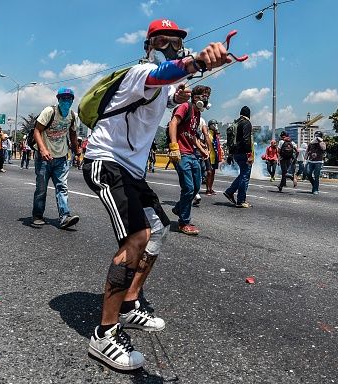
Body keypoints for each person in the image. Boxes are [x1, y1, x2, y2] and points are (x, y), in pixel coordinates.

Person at [82, 18, 230, 370]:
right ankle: (104, 334)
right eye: (164, 41)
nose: (172, 47)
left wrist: (176, 93)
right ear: (150, 45)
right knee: (136, 237)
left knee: (158, 230)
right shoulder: (141, 72)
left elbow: (162, 93)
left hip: (131, 171)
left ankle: (130, 304)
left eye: (177, 42)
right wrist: (199, 62)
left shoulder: (161, 85)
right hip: (107, 162)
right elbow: (163, 75)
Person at [32, 87, 81, 228]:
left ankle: (65, 217)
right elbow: (37, 130)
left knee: (62, 187)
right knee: (41, 188)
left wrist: (77, 153)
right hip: (44, 158)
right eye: (63, 98)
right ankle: (37, 215)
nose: (66, 101)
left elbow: (73, 135)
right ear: (58, 99)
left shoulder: (73, 116)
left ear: (72, 100)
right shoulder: (49, 111)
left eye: (69, 99)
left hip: (61, 157)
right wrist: (43, 149)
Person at [169, 85, 211, 234]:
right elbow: (173, 123)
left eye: (208, 97)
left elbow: (191, 135)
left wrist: (202, 149)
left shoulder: (197, 114)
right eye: (204, 96)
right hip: (181, 153)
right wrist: (174, 147)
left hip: (192, 154)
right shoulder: (185, 107)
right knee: (188, 188)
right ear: (196, 97)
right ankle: (184, 222)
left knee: (197, 186)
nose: (206, 100)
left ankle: (179, 208)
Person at [223, 106, 254, 208]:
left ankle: (230, 191)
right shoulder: (246, 123)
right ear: (248, 114)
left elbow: (232, 140)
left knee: (242, 175)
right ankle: (241, 200)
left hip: (236, 154)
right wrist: (249, 154)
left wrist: (230, 155)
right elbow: (246, 140)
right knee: (245, 176)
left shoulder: (236, 123)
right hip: (244, 153)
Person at [305, 131, 326, 195]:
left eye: (318, 136)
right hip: (311, 161)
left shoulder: (322, 143)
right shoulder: (311, 143)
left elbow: (323, 148)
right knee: (308, 173)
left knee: (316, 176)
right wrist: (305, 159)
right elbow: (307, 151)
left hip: (318, 161)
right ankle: (314, 184)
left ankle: (315, 189)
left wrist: (320, 141)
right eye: (316, 136)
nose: (316, 137)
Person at [205, 119, 223, 195]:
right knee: (209, 172)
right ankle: (207, 189)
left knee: (213, 173)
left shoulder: (215, 135)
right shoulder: (208, 134)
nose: (215, 126)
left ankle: (211, 188)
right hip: (209, 155)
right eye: (214, 124)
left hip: (214, 156)